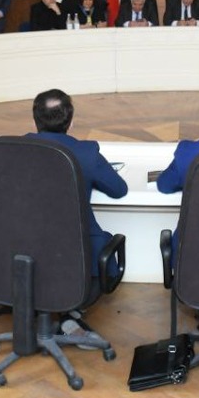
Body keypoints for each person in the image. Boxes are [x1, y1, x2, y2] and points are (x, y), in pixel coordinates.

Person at [27, 89, 127, 277]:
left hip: (27, 257)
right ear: (71, 122)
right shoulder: (86, 154)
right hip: (80, 261)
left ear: (35, 121)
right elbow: (119, 190)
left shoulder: (12, 151)